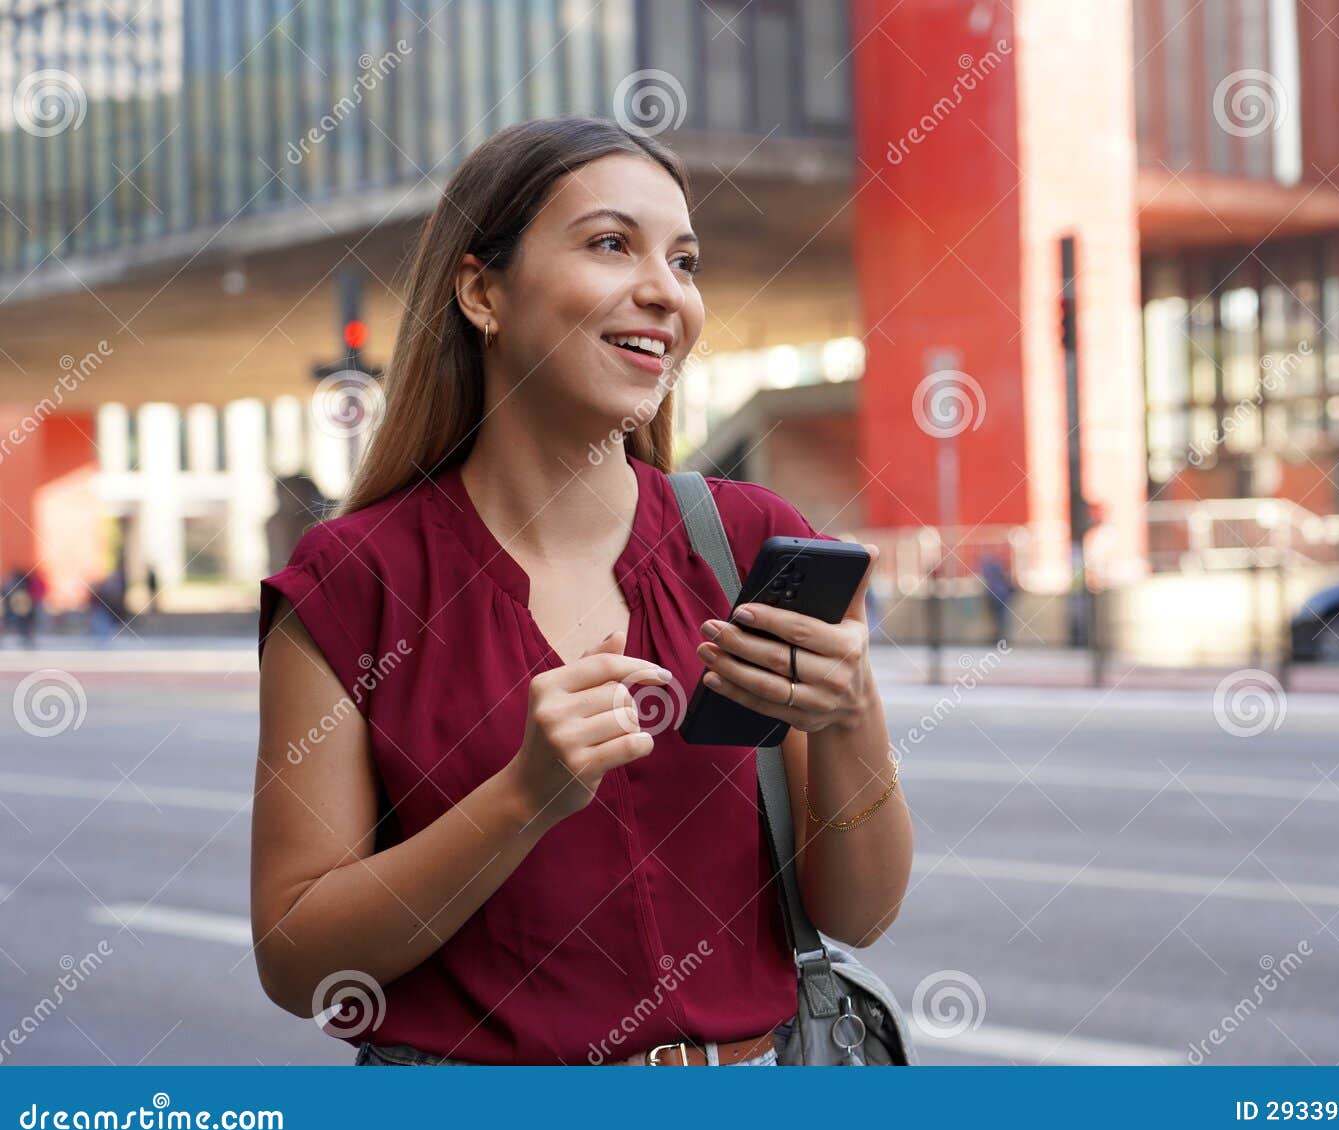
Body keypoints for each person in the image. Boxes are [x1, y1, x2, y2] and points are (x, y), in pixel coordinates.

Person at [251, 117, 913, 1067]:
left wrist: (853, 721)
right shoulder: (351, 583)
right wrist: (523, 797)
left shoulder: (754, 543)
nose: (666, 293)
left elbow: (861, 911)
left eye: (684, 262)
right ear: (482, 291)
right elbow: (298, 964)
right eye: (612, 244)